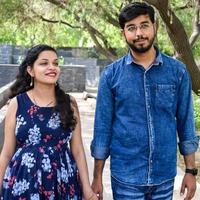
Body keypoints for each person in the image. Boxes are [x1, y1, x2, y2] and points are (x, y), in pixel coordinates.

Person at [91, 2, 199, 200]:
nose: (139, 33)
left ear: (155, 27)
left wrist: (191, 171)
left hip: (164, 176)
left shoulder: (178, 72)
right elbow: (102, 129)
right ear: (123, 33)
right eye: (131, 28)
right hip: (126, 178)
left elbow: (186, 124)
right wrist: (97, 176)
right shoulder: (111, 76)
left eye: (144, 25)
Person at [0, 44, 98, 200]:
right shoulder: (17, 103)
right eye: (44, 63)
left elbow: (78, 150)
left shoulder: (69, 103)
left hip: (62, 180)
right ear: (30, 70)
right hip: (24, 179)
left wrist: (86, 188)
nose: (52, 67)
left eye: (55, 63)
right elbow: (6, 153)